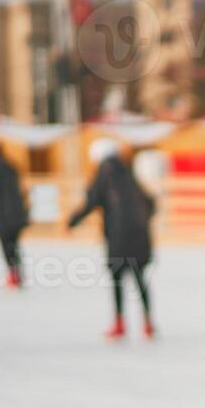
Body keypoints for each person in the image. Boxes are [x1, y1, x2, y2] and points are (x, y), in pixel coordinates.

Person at [68, 138, 157, 340]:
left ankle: (119, 322)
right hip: (140, 237)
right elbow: (151, 202)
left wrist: (72, 222)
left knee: (117, 280)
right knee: (140, 279)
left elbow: (92, 201)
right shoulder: (129, 172)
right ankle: (148, 323)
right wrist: (142, 222)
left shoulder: (104, 173)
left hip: (118, 237)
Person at [0, 144, 28, 289]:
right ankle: (17, 274)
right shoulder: (11, 166)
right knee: (14, 245)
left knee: (6, 245)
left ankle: (13, 274)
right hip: (19, 214)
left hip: (6, 216)